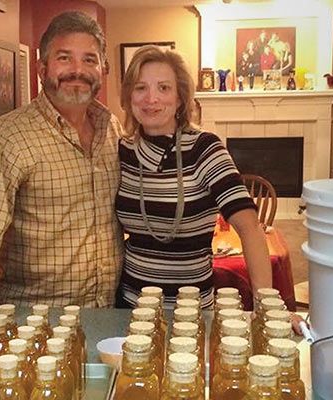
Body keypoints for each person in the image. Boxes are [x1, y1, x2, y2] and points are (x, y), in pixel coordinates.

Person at [0, 11, 123, 335]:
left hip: (107, 317)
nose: (77, 70)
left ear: (102, 69)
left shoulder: (113, 129)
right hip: (34, 323)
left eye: (89, 59)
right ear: (42, 67)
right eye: (64, 58)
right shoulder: (9, 136)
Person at [114, 45, 273, 310]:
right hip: (131, 309)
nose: (151, 98)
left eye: (163, 88)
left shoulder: (205, 148)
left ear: (179, 99)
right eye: (140, 88)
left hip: (192, 315)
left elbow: (250, 227)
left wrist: (266, 305)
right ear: (129, 96)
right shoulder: (122, 151)